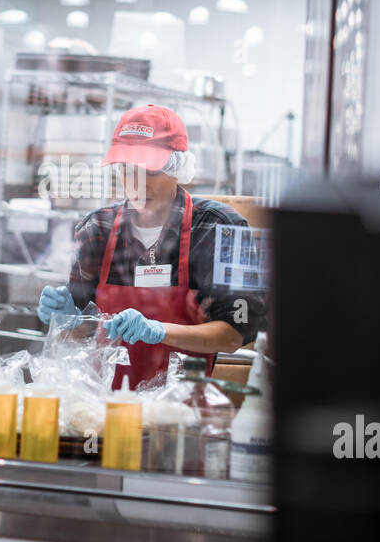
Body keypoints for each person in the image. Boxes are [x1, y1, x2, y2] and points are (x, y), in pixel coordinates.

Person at [37, 104, 264, 389]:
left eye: (151, 171)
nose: (138, 185)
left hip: (177, 409)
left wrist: (158, 331)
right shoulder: (97, 229)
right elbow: (79, 335)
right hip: (101, 405)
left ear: (178, 168)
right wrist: (66, 317)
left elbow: (236, 334)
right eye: (127, 171)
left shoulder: (220, 229)